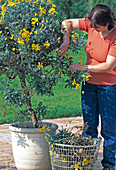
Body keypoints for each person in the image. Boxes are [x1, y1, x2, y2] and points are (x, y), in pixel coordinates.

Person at [56, 4, 116, 170]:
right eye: (92, 26)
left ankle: (109, 165)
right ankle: (86, 163)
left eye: (97, 27)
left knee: (109, 130)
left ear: (107, 23)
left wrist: (84, 67)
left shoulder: (115, 37)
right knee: (89, 126)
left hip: (109, 88)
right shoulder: (91, 24)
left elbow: (108, 66)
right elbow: (66, 22)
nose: (94, 30)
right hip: (89, 85)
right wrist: (66, 39)